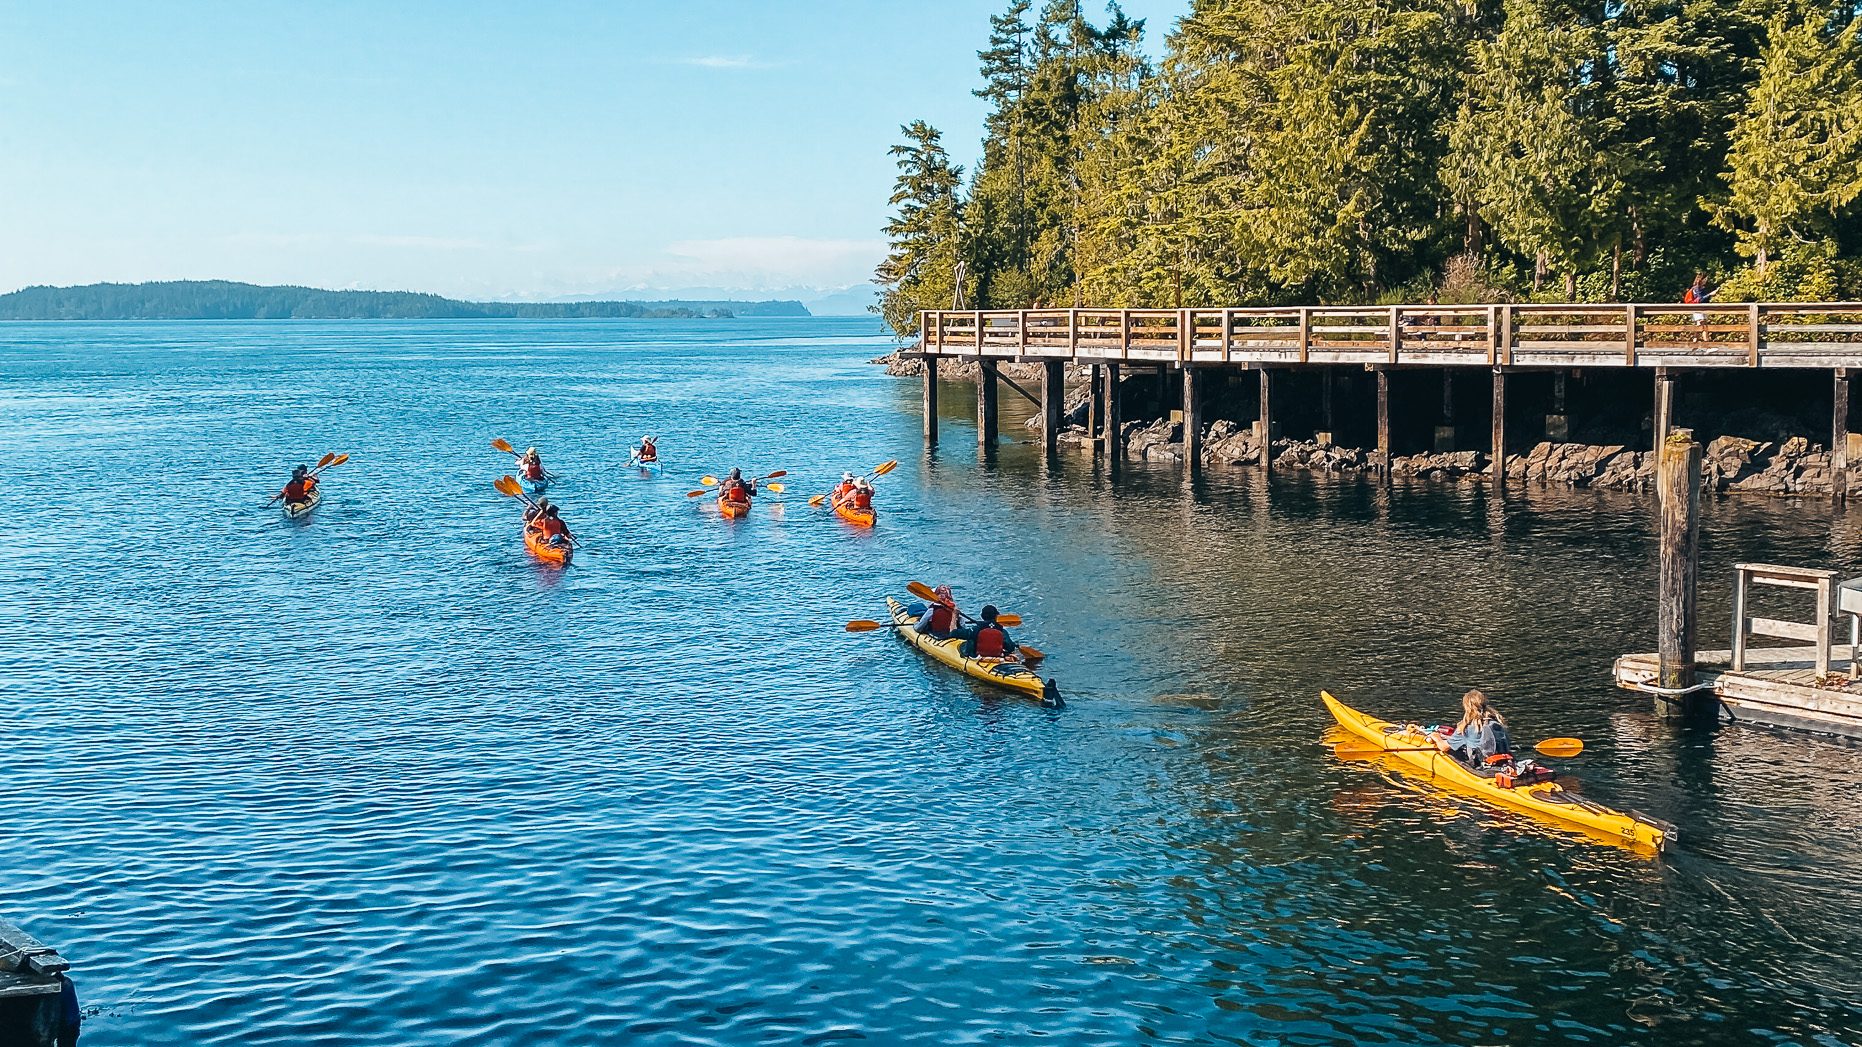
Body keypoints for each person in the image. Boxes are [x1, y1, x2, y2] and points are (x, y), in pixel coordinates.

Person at [1429, 688, 1513, 768]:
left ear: (1466, 707)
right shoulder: (1496, 722)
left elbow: (1443, 747)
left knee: (1452, 751)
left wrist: (1437, 737)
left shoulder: (1466, 727)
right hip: (1503, 761)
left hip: (1482, 765)